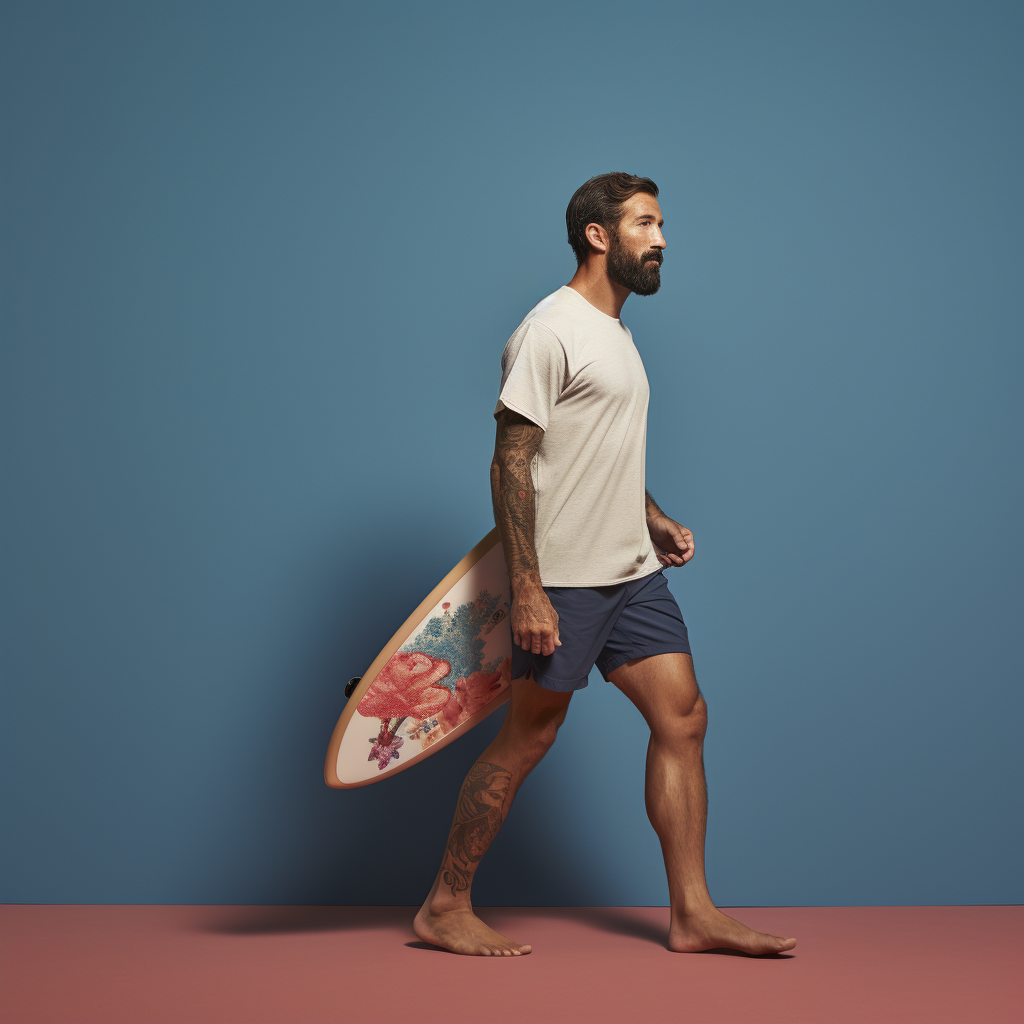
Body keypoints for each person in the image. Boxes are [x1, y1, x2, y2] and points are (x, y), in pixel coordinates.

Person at [413, 173, 797, 957]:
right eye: (647, 225)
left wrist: (652, 516)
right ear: (599, 236)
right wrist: (527, 588)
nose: (662, 240)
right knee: (528, 738)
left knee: (683, 718)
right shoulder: (548, 330)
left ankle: (692, 913)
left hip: (631, 574)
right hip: (563, 579)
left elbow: (593, 445)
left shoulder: (616, 330)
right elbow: (510, 464)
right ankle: (445, 904)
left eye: (661, 226)